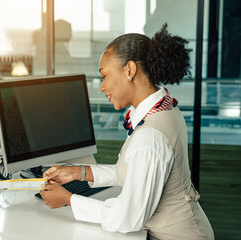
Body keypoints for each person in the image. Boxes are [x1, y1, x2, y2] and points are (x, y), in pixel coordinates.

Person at [40, 24, 214, 239]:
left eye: (104, 75)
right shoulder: (164, 107)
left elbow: (126, 219)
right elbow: (138, 171)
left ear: (130, 70)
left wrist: (68, 199)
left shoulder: (150, 137)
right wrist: (78, 173)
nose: (102, 87)